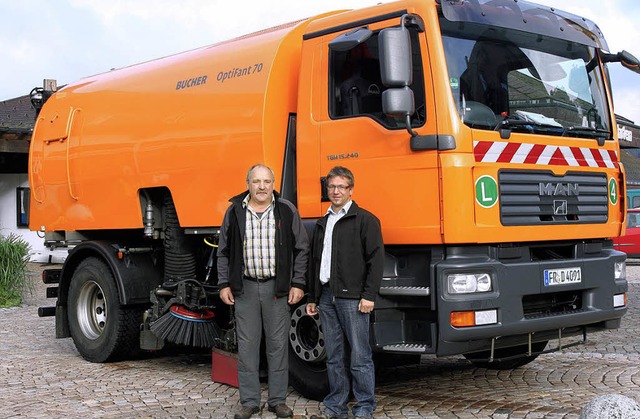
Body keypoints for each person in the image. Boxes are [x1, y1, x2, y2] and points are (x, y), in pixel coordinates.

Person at [217, 164, 309, 419]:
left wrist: (298, 283)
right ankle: (249, 402)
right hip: (244, 289)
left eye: (266, 181)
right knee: (247, 347)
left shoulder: (286, 210)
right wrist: (224, 283)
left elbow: (302, 249)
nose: (262, 186)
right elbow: (223, 251)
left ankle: (277, 401)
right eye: (256, 181)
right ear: (248, 183)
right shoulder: (235, 211)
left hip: (277, 290)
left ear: (273, 183)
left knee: (277, 346)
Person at [306, 166, 384, 419]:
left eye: (341, 187)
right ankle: (336, 405)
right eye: (332, 187)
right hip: (327, 296)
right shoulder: (323, 222)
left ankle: (364, 406)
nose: (336, 191)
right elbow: (315, 262)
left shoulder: (365, 220)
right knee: (334, 356)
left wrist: (369, 295)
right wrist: (313, 297)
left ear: (351, 190)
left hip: (353, 298)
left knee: (360, 355)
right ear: (327, 190)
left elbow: (376, 260)